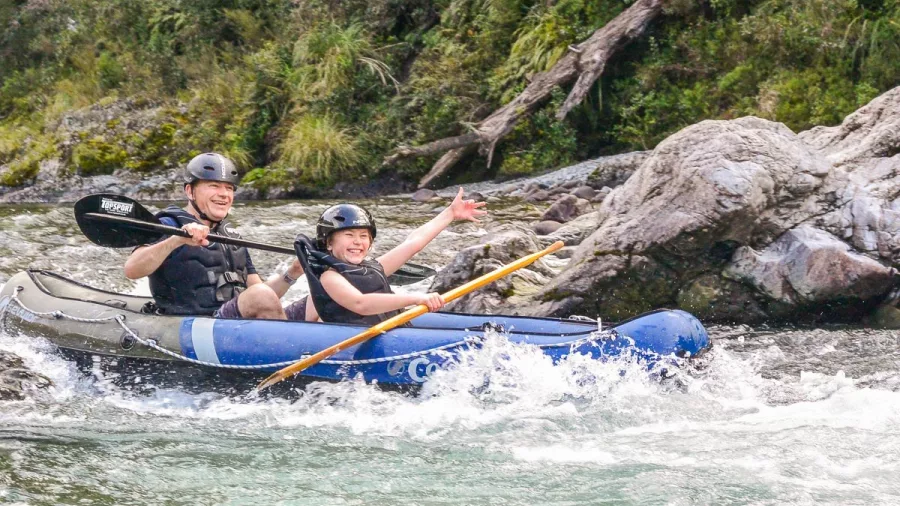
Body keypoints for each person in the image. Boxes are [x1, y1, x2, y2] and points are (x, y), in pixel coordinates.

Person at [124, 152, 308, 320]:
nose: (223, 194)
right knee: (260, 295)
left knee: (316, 299)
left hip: (231, 320)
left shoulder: (232, 236)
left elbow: (262, 293)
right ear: (190, 191)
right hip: (194, 325)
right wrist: (177, 240)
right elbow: (132, 269)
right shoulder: (169, 224)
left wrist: (293, 272)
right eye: (214, 186)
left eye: (229, 188)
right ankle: (296, 351)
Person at [303, 188, 487, 325]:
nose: (358, 242)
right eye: (349, 235)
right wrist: (416, 298)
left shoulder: (372, 267)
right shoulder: (330, 277)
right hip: (360, 340)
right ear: (329, 243)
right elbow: (361, 304)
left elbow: (413, 242)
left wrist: (450, 214)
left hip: (392, 328)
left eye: (363, 236)